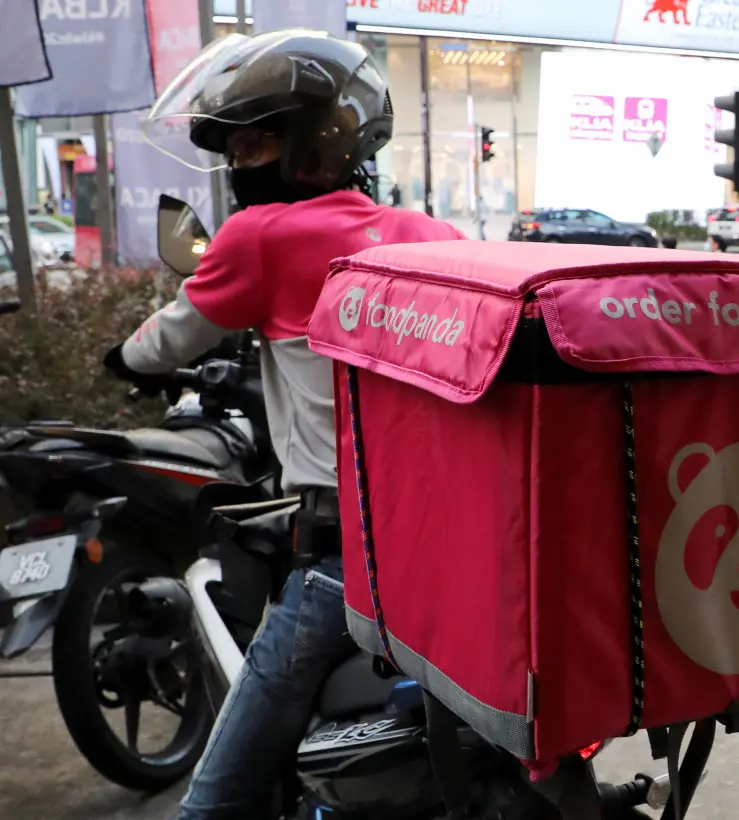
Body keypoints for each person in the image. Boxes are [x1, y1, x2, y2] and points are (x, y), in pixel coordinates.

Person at [102, 31, 466, 819]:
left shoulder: (259, 238)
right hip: (450, 554)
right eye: (233, 144)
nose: (241, 160)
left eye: (258, 139)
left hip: (345, 567)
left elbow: (167, 338)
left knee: (211, 802)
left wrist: (121, 362)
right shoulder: (433, 238)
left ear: (320, 140)